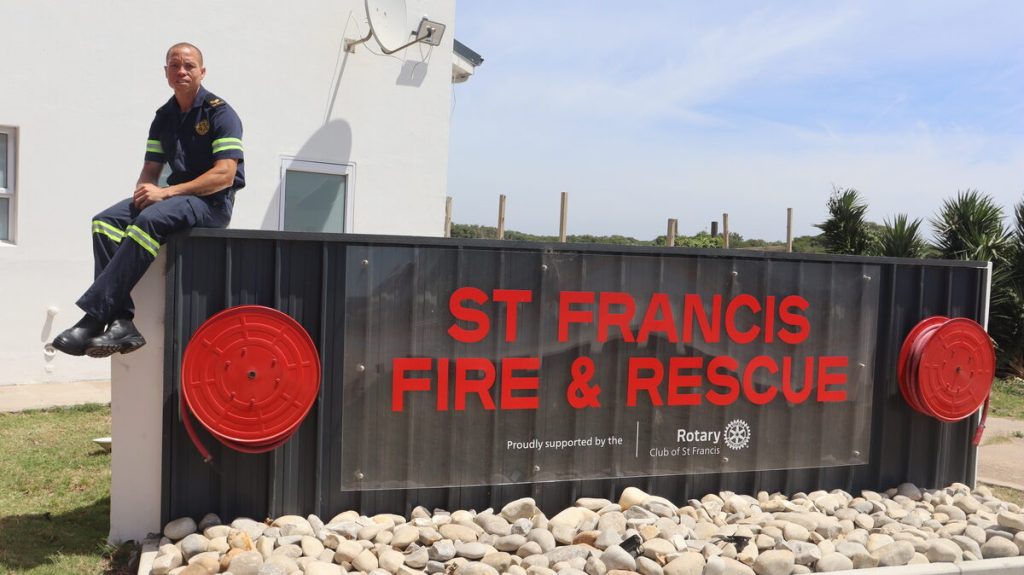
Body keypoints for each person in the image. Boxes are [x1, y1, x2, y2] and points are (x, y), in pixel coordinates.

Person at [52, 42, 244, 358]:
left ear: (202, 71)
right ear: (166, 72)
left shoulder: (220, 113)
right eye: (175, 65)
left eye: (189, 65)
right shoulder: (163, 117)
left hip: (211, 204)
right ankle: (121, 321)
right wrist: (145, 191)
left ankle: (94, 317)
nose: (181, 71)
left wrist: (165, 193)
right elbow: (150, 171)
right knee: (104, 222)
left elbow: (224, 174)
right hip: (176, 199)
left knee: (149, 220)